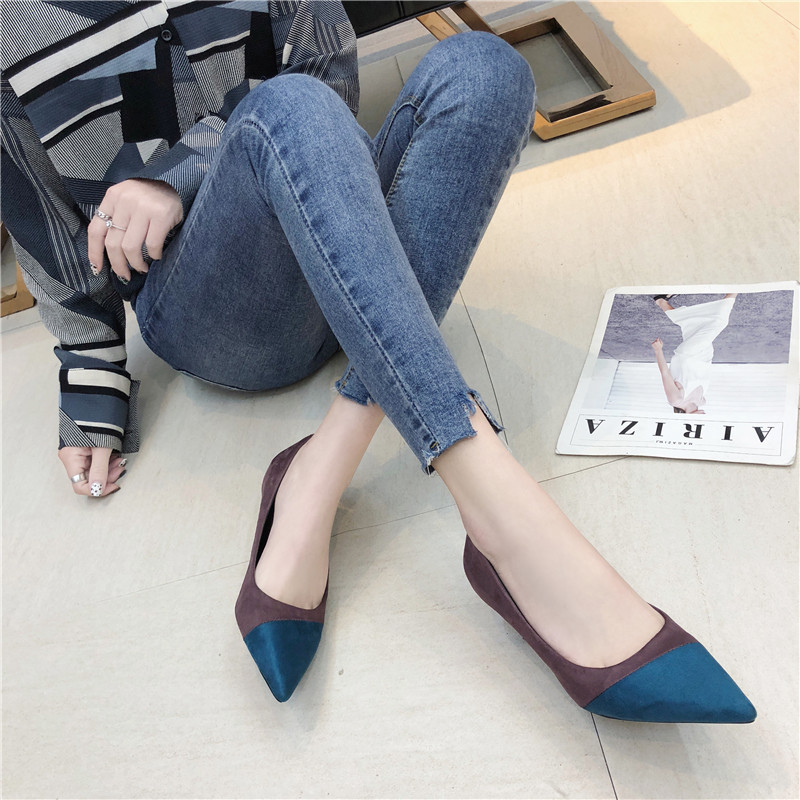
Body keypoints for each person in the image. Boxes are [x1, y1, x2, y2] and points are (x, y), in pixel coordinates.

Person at [1, 0, 755, 722]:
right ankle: (495, 503)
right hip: (208, 309)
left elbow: (329, 77)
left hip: (336, 234)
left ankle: (321, 465)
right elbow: (41, 222)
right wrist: (92, 379)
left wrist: (175, 174)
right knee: (286, 107)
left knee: (486, 70)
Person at [651, 294, 738, 413]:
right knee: (692, 325)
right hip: (705, 355)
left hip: (688, 354)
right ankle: (661, 301)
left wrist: (658, 350)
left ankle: (736, 289)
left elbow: (665, 374)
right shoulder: (701, 400)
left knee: (719, 322)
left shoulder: (676, 400)